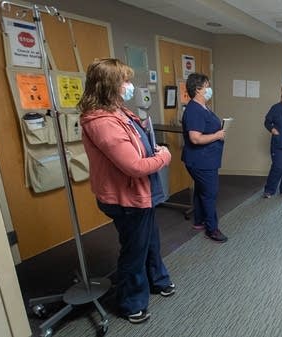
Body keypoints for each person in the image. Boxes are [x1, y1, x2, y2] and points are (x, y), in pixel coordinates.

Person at [79, 58, 175, 324]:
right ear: (111, 85)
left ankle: (157, 279)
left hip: (140, 193)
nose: (130, 86)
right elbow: (133, 166)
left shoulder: (118, 112)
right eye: (126, 81)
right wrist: (164, 156)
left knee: (149, 240)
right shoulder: (102, 122)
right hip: (126, 197)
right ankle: (131, 302)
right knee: (134, 249)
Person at [181, 73, 228, 243]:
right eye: (207, 86)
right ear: (198, 89)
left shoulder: (203, 107)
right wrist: (216, 136)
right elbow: (195, 138)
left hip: (205, 159)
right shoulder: (194, 110)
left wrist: (218, 133)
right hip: (200, 160)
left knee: (201, 190)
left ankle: (199, 221)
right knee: (209, 193)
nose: (209, 89)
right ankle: (212, 229)